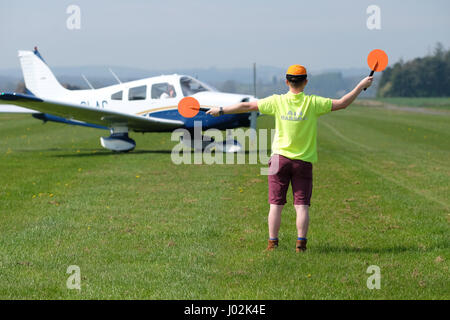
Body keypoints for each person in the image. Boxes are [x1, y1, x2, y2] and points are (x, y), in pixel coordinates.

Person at [206, 65, 373, 252]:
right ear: (306, 82)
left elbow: (246, 106)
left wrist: (220, 110)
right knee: (301, 206)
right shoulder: (313, 102)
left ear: (286, 82)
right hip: (303, 161)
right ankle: (301, 245)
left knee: (275, 205)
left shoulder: (277, 101)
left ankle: (272, 243)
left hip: (278, 159)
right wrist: (360, 85)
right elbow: (343, 103)